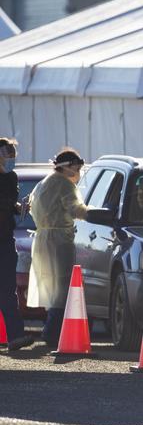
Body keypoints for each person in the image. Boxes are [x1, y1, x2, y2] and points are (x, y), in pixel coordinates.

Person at [28, 148, 88, 346]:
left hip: (43, 238)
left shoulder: (43, 183)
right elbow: (76, 209)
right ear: (68, 167)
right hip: (59, 240)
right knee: (62, 287)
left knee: (52, 286)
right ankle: (53, 332)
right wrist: (95, 214)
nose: (78, 172)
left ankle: (52, 329)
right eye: (77, 168)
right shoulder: (64, 185)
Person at [0, 137, 34, 351]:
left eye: (13, 154)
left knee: (7, 290)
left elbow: (8, 201)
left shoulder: (11, 177)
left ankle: (15, 336)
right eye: (7, 153)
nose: (11, 157)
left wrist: (19, 207)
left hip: (4, 239)